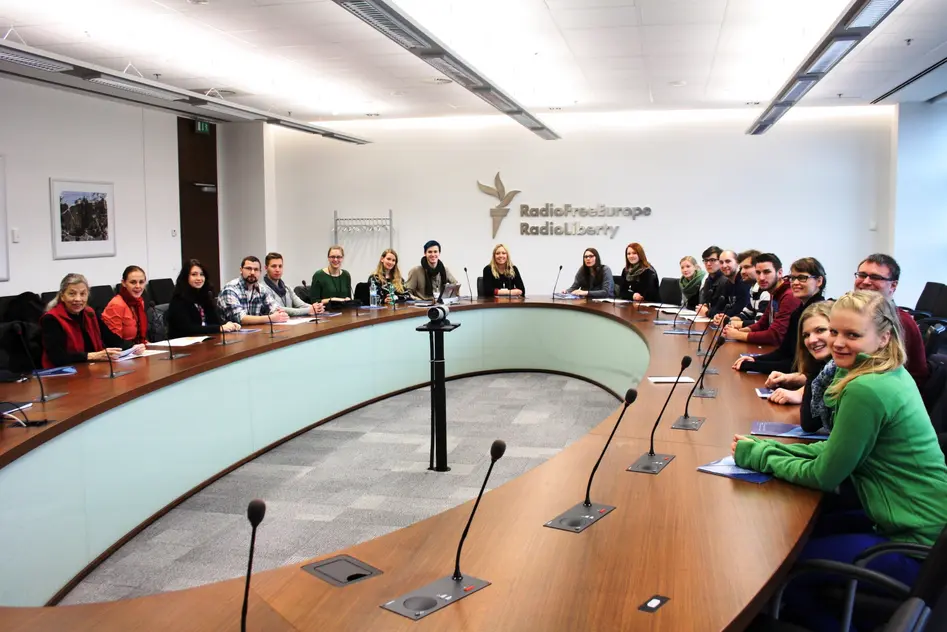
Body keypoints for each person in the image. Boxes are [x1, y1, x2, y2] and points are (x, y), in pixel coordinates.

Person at [731, 291, 947, 631]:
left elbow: (824, 474)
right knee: (797, 535)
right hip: (922, 527)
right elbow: (835, 450)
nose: (837, 343)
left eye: (853, 335)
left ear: (884, 336)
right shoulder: (888, 372)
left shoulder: (866, 389)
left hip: (915, 546)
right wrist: (767, 448)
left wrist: (759, 455)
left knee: (783, 567)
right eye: (834, 331)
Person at [732, 257, 826, 374]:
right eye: (793, 278)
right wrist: (754, 359)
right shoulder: (798, 312)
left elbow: (798, 365)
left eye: (802, 278)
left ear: (819, 281)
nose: (795, 283)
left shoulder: (819, 314)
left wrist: (754, 365)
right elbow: (784, 352)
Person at [854, 253, 929, 388]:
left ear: (893, 285)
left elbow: (916, 375)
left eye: (876, 277)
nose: (865, 281)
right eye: (862, 275)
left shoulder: (901, 323)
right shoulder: (853, 314)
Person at [763, 302, 835, 432]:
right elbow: (809, 424)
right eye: (806, 335)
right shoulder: (822, 372)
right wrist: (812, 368)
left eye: (820, 330)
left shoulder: (846, 375)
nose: (812, 340)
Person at [40, 273, 121, 368]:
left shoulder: (90, 313)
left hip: (92, 369)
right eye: (72, 294)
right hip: (63, 374)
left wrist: (134, 348)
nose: (78, 299)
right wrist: (92, 356)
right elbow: (58, 357)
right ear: (62, 296)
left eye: (83, 294)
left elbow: (112, 339)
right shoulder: (51, 319)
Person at [724, 253, 801, 346]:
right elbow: (762, 324)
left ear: (780, 273)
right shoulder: (774, 293)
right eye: (758, 273)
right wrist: (740, 331)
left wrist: (738, 335)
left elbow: (775, 336)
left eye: (767, 272)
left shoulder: (789, 295)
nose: (761, 278)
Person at [168, 259, 241, 338]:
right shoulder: (178, 299)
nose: (199, 278)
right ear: (186, 277)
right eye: (194, 274)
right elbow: (187, 329)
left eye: (201, 274)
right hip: (183, 345)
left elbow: (215, 321)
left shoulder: (204, 296)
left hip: (204, 341)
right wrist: (219, 328)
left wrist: (229, 325)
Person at [218, 256, 288, 325]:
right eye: (248, 268)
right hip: (230, 334)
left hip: (254, 332)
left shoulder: (261, 289)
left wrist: (279, 313)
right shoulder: (230, 289)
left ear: (260, 272)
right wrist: (270, 318)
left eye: (256, 269)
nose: (252, 272)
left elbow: (275, 308)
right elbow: (239, 318)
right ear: (241, 270)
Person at [100, 265, 149, 354]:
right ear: (123, 283)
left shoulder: (139, 301)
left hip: (138, 351)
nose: (138, 286)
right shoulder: (116, 305)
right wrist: (133, 348)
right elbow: (115, 342)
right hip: (122, 353)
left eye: (141, 282)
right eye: (133, 282)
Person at [262, 252, 324, 317]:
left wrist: (317, 308)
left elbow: (300, 304)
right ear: (266, 268)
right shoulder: (263, 289)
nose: (277, 270)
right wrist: (309, 310)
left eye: (280, 266)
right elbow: (279, 309)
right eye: (274, 266)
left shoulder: (287, 287)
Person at [708, 250, 751, 320]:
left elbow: (738, 311)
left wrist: (708, 312)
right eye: (721, 262)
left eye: (728, 261)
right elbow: (720, 308)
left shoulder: (744, 283)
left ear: (737, 263)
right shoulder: (727, 283)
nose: (724, 265)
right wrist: (716, 314)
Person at [732, 249, 770, 327]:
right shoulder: (754, 289)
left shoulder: (766, 291)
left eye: (746, 267)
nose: (742, 272)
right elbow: (746, 314)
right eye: (741, 268)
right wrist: (727, 320)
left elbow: (760, 324)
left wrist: (737, 324)